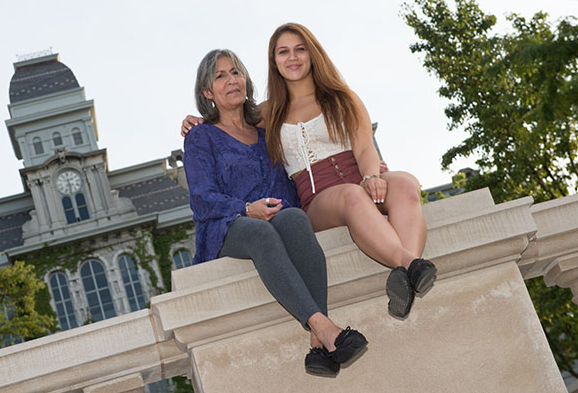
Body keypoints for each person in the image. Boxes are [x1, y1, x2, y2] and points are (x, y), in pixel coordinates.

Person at [182, 24, 437, 319]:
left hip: (358, 177)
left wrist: (371, 176)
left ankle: (406, 276)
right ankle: (410, 263)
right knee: (352, 196)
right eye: (283, 51)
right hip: (319, 197)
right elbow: (229, 119)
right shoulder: (267, 112)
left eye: (300, 49)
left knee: (406, 183)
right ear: (274, 61)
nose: (293, 57)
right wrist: (198, 120)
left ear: (313, 54)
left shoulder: (343, 97)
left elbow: (365, 146)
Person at [183, 48, 367, 377]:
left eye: (235, 72)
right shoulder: (201, 137)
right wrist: (244, 209)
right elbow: (201, 198)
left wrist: (365, 173)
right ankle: (324, 327)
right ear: (207, 93)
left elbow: (299, 171)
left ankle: (319, 339)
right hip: (226, 225)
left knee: (295, 217)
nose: (231, 80)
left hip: (275, 215)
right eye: (220, 76)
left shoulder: (268, 130)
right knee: (260, 232)